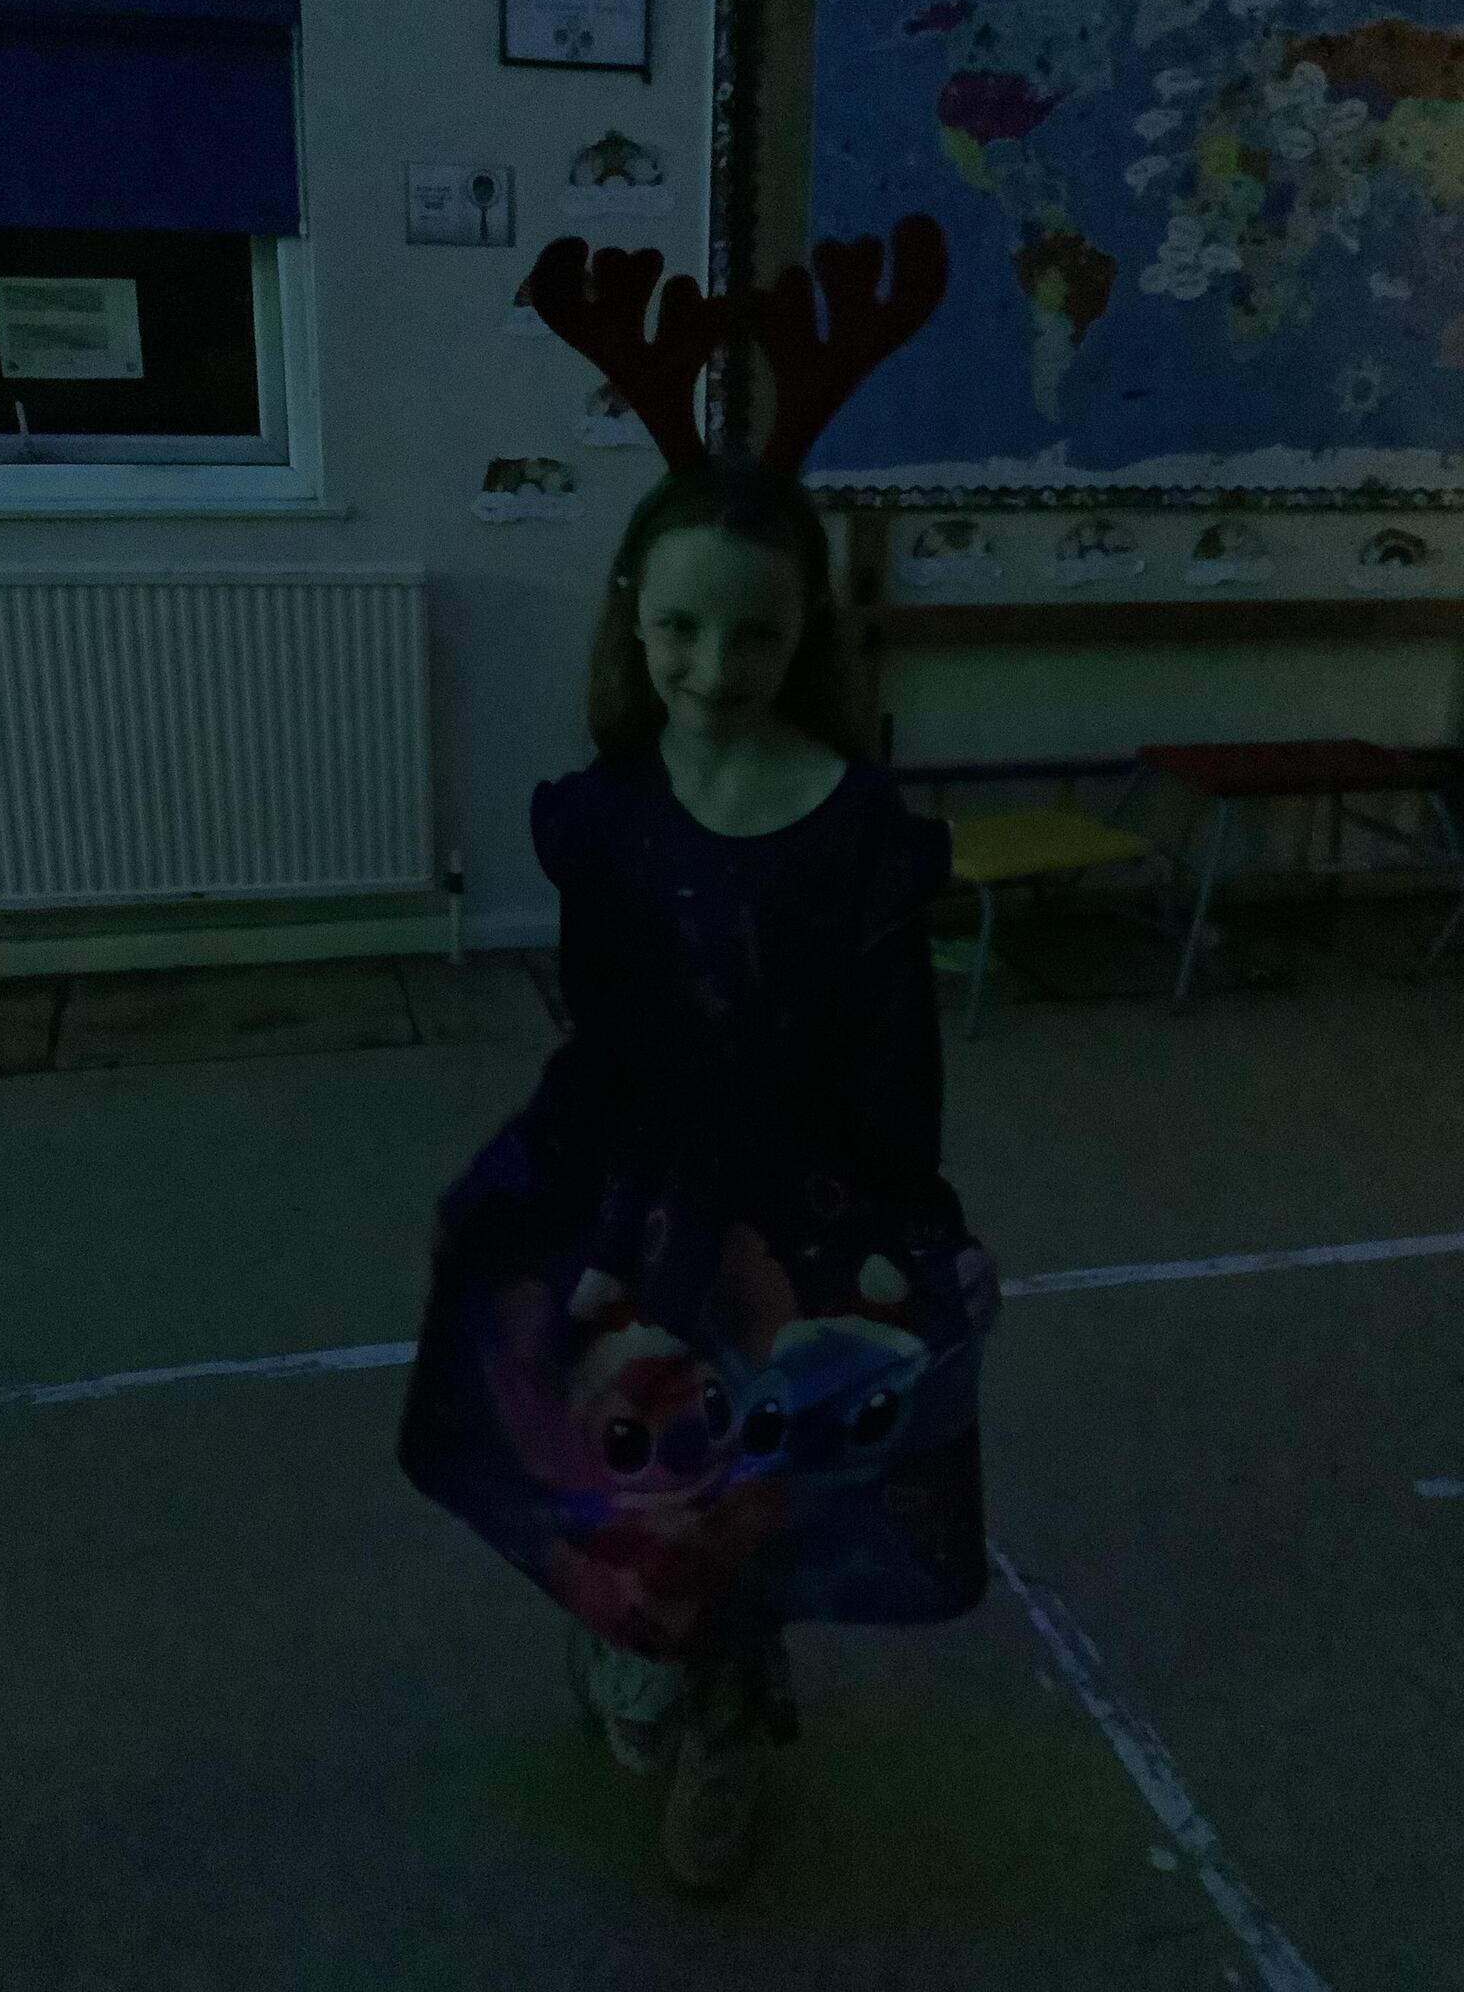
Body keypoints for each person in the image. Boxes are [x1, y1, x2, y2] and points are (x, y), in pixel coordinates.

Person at [397, 219, 1003, 1901]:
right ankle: (633, 1637)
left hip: (798, 1204)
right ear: (633, 616)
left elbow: (892, 1062)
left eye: (751, 637)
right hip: (640, 1184)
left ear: (804, 634)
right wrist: (536, 1190)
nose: (710, 670)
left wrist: (912, 1222)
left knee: (759, 1469)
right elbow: (605, 1033)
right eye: (679, 630)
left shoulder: (857, 832)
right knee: (620, 1444)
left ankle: (730, 1716)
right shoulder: (605, 815)